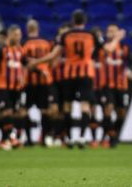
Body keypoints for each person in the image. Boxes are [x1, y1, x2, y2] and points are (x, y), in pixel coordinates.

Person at [28, 9, 122, 149]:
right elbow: (109, 49)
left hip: (69, 74)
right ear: (84, 21)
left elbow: (53, 55)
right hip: (85, 74)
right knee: (85, 105)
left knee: (67, 106)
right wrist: (117, 38)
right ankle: (82, 137)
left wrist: (36, 61)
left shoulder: (66, 35)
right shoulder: (91, 35)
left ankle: (70, 138)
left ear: (73, 21)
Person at [22, 19, 59, 146]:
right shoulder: (46, 43)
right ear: (38, 29)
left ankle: (28, 140)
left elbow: (22, 62)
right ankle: (44, 138)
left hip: (28, 82)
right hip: (44, 81)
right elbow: (52, 62)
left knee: (25, 110)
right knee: (44, 110)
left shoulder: (23, 44)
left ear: (27, 29)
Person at [100, 24, 132, 148]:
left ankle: (114, 133)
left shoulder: (124, 48)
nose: (110, 33)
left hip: (122, 85)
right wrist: (117, 38)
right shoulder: (103, 46)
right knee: (108, 109)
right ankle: (112, 136)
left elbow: (130, 63)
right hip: (107, 84)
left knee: (121, 113)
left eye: (113, 31)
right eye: (109, 31)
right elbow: (109, 49)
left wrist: (130, 70)